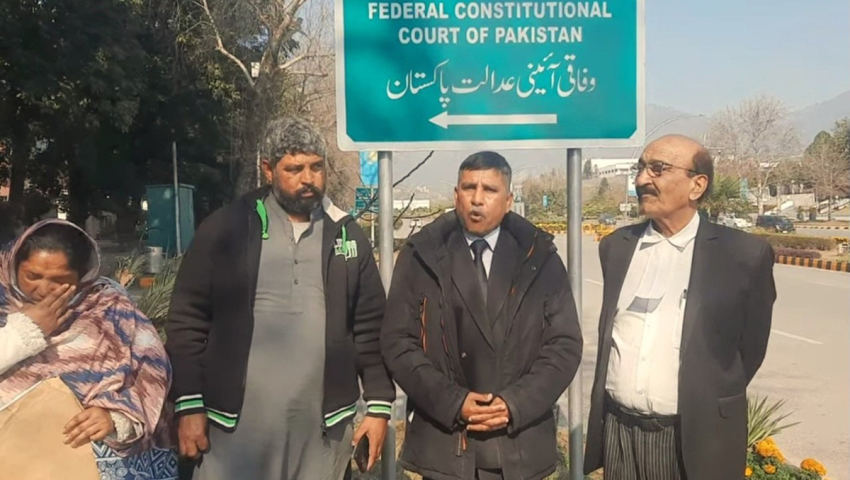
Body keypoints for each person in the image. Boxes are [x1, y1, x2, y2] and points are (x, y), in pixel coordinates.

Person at [166, 116, 395, 480]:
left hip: (322, 430)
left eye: (317, 167)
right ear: (268, 169)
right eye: (295, 168)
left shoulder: (346, 234)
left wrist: (379, 407)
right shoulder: (227, 229)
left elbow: (370, 328)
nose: (309, 179)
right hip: (234, 430)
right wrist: (189, 405)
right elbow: (187, 321)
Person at [584, 135, 776, 480]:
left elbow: (748, 352)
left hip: (692, 440)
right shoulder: (616, 247)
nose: (642, 179)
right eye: (640, 168)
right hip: (620, 433)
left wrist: (703, 391)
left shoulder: (743, 255)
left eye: (658, 169)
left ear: (696, 185)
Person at [381, 152, 583, 480]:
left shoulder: (539, 256)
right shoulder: (422, 254)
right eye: (468, 188)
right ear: (456, 195)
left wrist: (515, 404)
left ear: (508, 200)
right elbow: (398, 342)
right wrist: (452, 402)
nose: (477, 199)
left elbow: (564, 344)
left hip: (520, 443)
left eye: (489, 190)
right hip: (445, 443)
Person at [0, 219, 175, 479]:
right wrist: (26, 329)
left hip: (97, 461)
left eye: (60, 281)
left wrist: (117, 417)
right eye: (32, 276)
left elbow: (151, 374)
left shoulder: (111, 310)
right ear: (14, 266)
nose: (44, 288)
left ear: (82, 277)